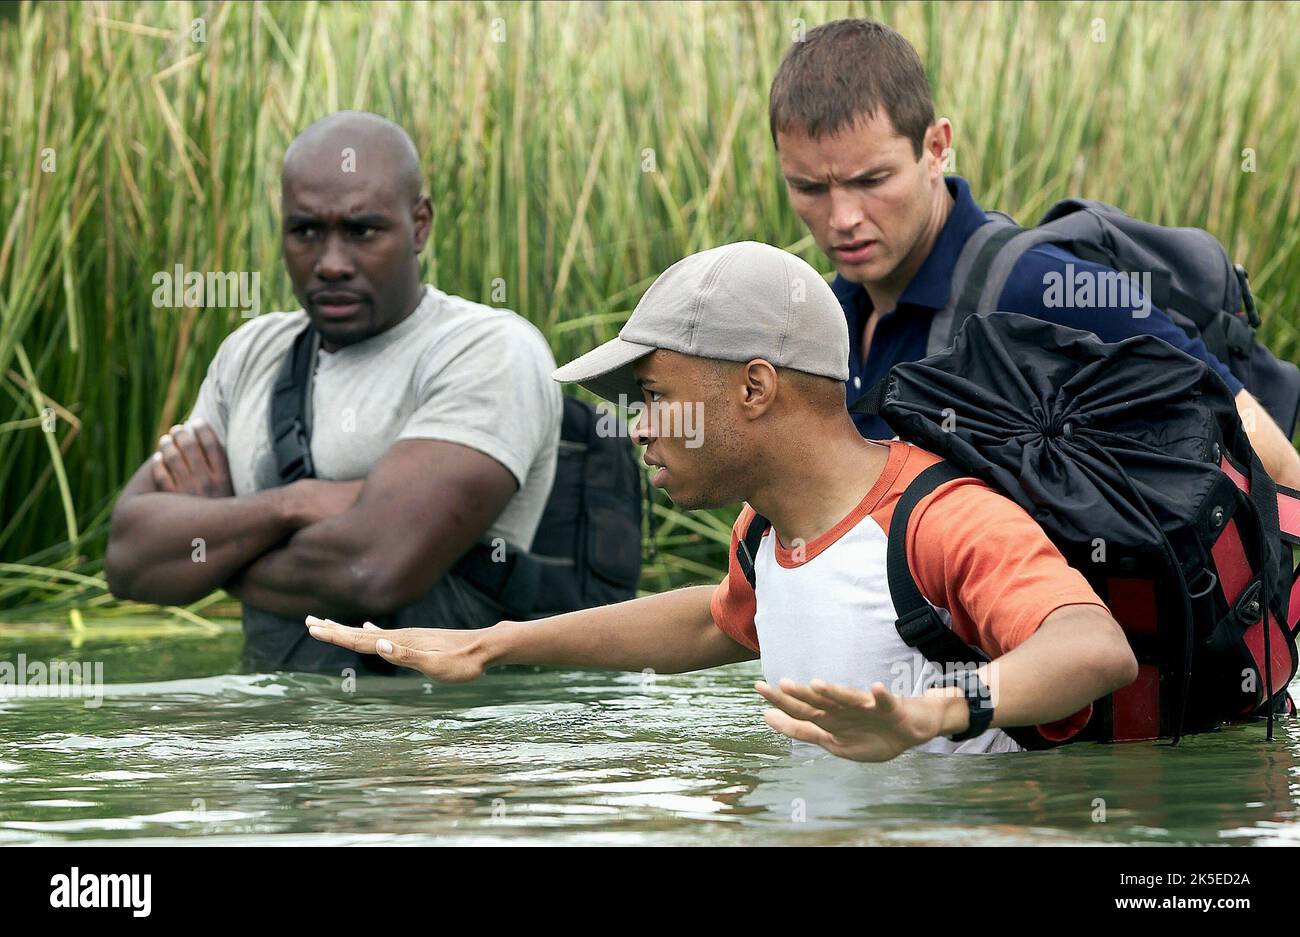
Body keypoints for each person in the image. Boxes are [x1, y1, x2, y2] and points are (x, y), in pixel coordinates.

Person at [304, 241, 1138, 762]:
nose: (639, 429)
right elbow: (714, 620)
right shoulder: (765, 532)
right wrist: (498, 644)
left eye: (654, 394)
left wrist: (932, 714)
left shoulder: (937, 518)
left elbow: (1094, 647)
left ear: (754, 386)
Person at [105, 111, 562, 673]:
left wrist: (215, 545)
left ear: (419, 224)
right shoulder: (250, 352)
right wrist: (294, 505)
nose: (331, 264)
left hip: (442, 748)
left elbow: (373, 571)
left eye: (361, 230)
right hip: (272, 741)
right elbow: (129, 561)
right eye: (305, 232)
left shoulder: (489, 350)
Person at [768, 18, 1300, 487]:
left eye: (872, 179)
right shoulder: (825, 314)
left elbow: (1271, 459)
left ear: (935, 149)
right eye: (810, 188)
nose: (842, 219)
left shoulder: (1043, 285)